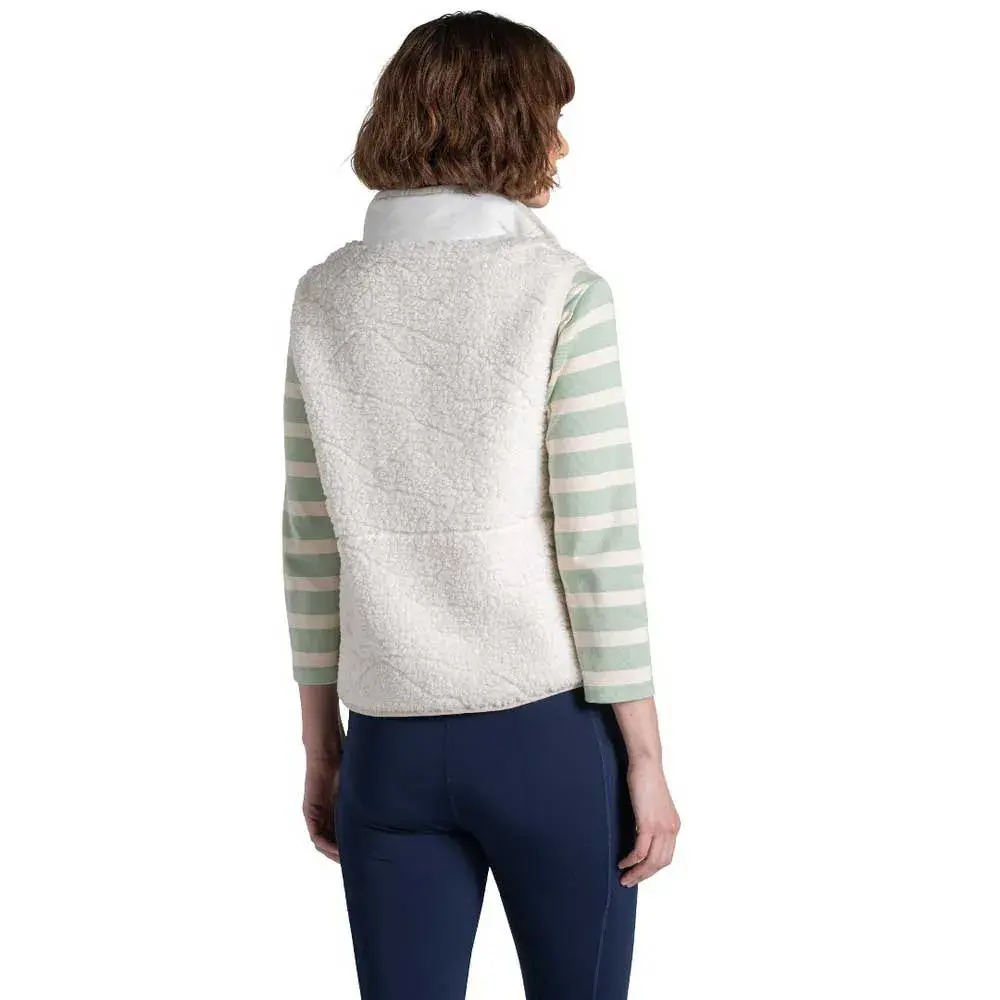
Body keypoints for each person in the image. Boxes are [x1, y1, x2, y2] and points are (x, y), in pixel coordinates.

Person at [281, 12, 680, 999]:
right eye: (553, 118)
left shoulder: (325, 297)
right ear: (512, 124)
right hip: (547, 736)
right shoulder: (561, 291)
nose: (562, 145)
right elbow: (596, 540)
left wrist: (320, 743)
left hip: (387, 739)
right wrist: (646, 757)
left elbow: (309, 539)